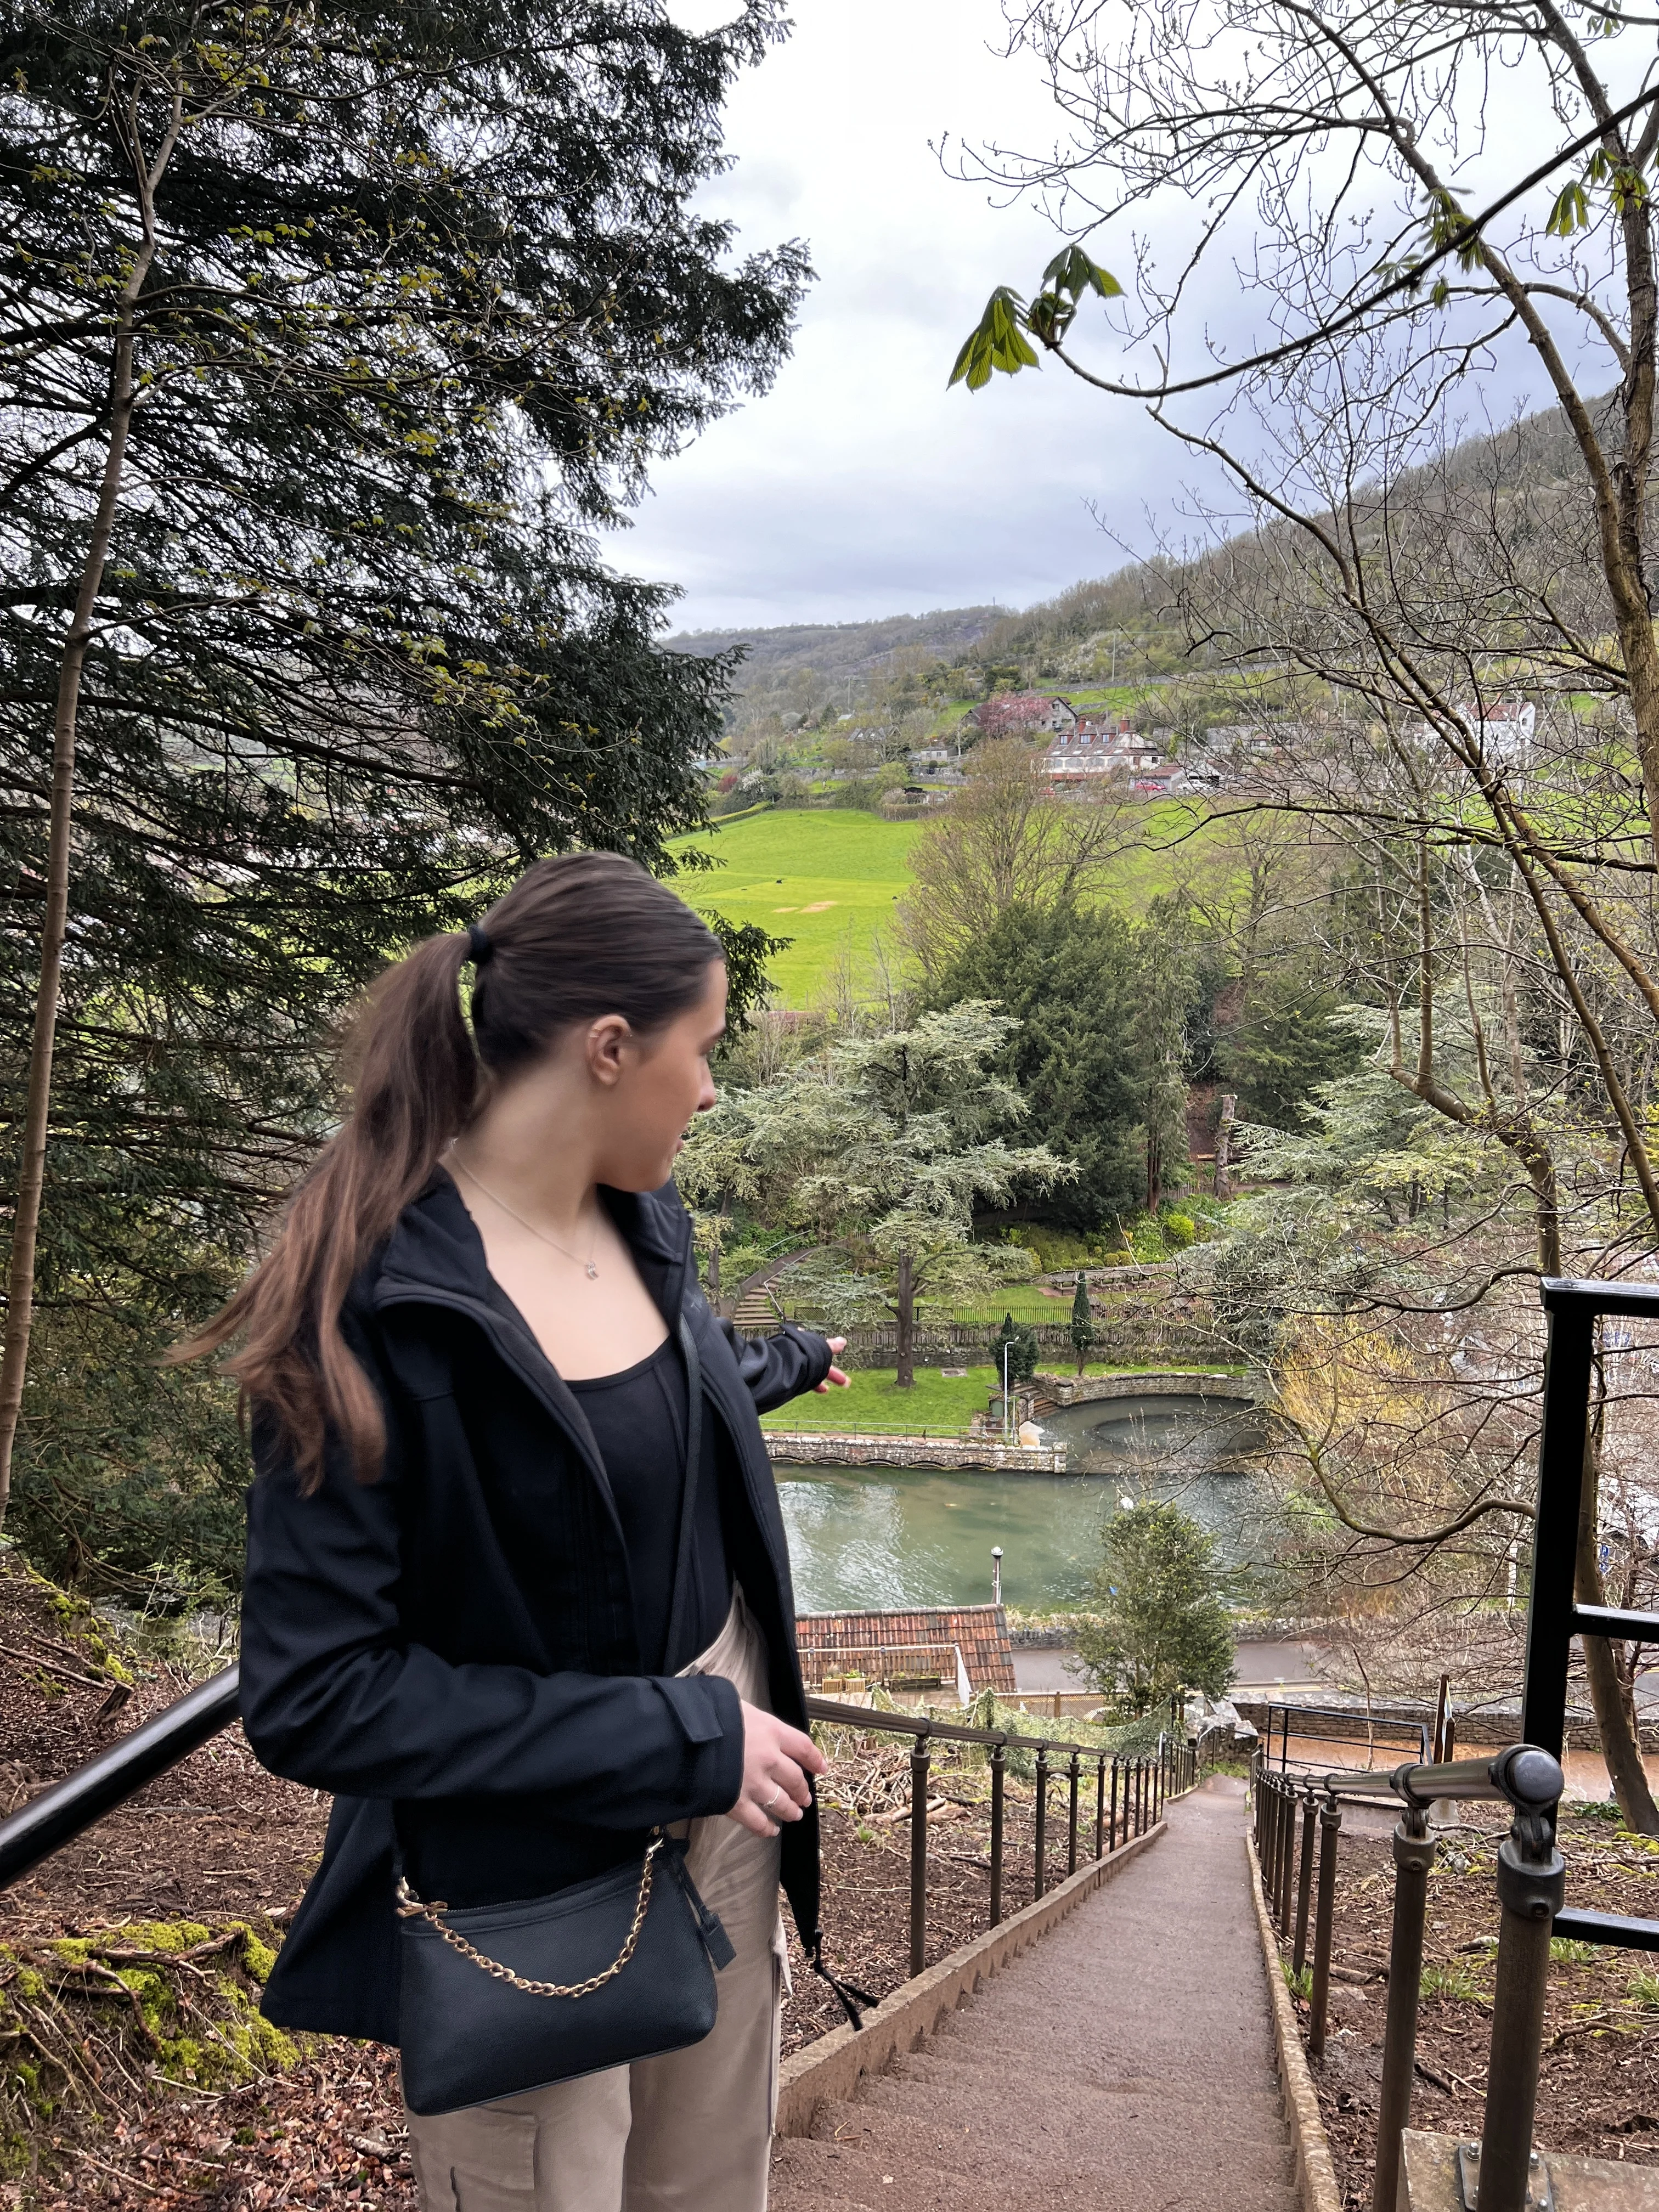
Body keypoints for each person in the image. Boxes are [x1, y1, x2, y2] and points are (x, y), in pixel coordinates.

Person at [180, 852, 851, 2212]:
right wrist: (674, 1739)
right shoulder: (373, 1311)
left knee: (714, 2184)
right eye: (702, 1050)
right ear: (610, 1050)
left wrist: (790, 1360)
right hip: (534, 1885)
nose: (713, 1089)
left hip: (730, 1807)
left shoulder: (642, 1212)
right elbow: (315, 1696)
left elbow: (670, 1394)